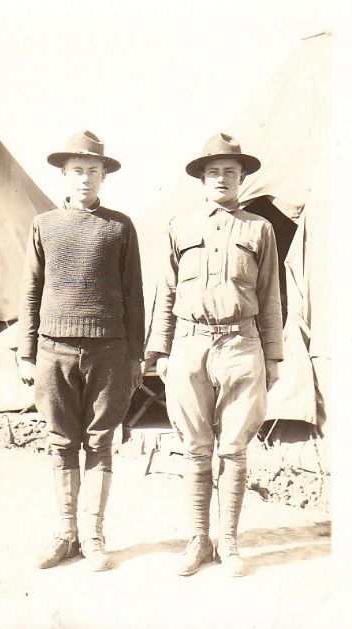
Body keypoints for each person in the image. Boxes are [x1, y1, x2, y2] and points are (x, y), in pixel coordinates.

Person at [144, 132, 283, 577]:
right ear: (201, 180)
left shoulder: (258, 229)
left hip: (242, 345)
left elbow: (271, 296)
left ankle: (230, 543)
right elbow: (165, 295)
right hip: (189, 344)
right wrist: (160, 350)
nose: (221, 178)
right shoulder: (179, 226)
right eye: (213, 172)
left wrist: (274, 357)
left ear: (242, 178)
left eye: (230, 171)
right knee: (195, 449)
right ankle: (197, 540)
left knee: (235, 449)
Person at [18, 130, 144, 570]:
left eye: (93, 170)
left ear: (104, 175)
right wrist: (26, 351)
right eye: (77, 171)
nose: (85, 178)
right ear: (63, 175)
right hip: (54, 350)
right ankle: (65, 533)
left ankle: (93, 534)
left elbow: (134, 294)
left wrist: (135, 356)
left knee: (101, 440)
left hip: (109, 351)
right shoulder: (44, 225)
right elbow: (31, 291)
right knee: (60, 441)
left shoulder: (119, 225)